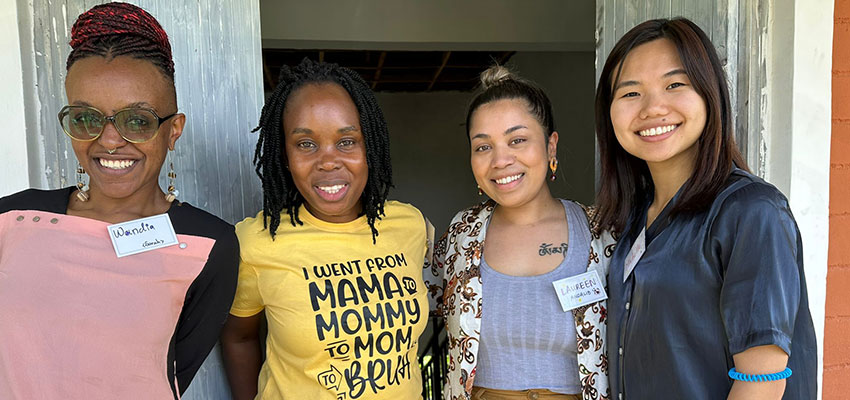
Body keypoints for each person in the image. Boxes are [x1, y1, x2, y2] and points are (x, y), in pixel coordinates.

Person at [0, 3, 239, 399]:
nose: (109, 140)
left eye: (138, 120)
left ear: (173, 130)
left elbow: (169, 376)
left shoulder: (211, 245)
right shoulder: (12, 220)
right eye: (86, 118)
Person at [595, 18, 817, 399]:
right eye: (631, 93)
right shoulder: (636, 217)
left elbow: (761, 384)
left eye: (674, 85)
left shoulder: (751, 212)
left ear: (709, 94)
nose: (653, 108)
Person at [221, 59, 430, 400]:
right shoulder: (256, 242)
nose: (328, 161)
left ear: (370, 148)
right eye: (306, 144)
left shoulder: (410, 226)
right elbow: (238, 337)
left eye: (347, 141)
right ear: (284, 155)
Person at [424, 65, 616, 400]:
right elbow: (408, 302)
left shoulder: (600, 232)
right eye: (483, 146)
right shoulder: (461, 235)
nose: (500, 160)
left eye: (518, 140)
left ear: (550, 147)